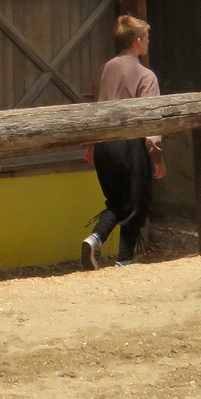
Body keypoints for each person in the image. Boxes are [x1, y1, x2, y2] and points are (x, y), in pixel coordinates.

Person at [81, 16, 164, 268]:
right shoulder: (146, 76)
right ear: (138, 41)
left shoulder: (105, 69)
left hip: (104, 144)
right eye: (147, 37)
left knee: (117, 201)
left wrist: (90, 143)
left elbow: (91, 103)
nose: (149, 41)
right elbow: (150, 119)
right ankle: (124, 259)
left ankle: (95, 238)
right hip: (130, 145)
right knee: (137, 201)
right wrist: (157, 156)